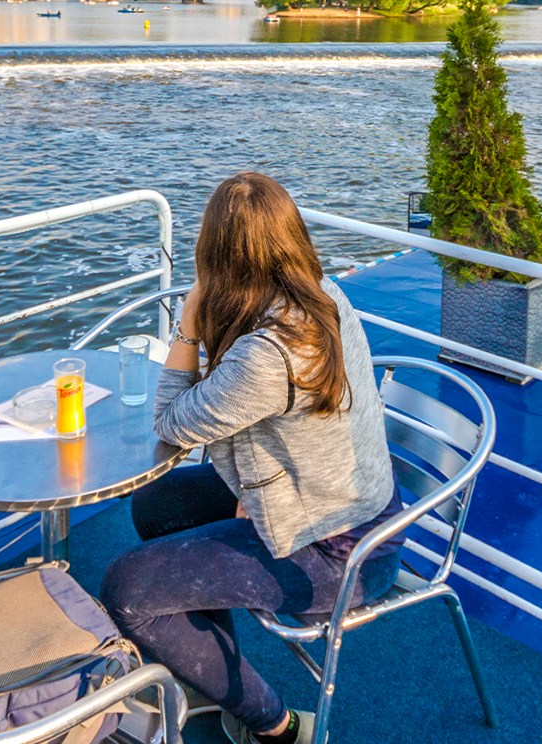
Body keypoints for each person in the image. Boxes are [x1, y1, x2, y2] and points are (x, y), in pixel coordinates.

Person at [100, 172, 402, 744]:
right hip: (350, 508)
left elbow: (172, 423)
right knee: (156, 505)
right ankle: (208, 668)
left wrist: (188, 325)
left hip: (339, 555)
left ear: (215, 255)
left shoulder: (270, 353)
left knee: (125, 590)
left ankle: (278, 728)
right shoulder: (322, 293)